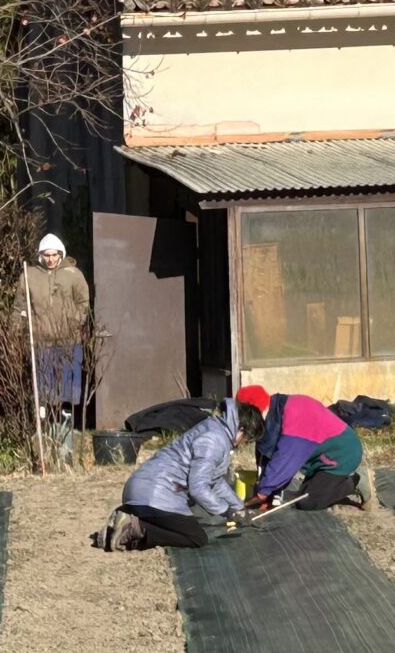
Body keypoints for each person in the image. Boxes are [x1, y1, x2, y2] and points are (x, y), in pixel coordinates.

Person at [103, 397, 260, 550]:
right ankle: (137, 528)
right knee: (195, 537)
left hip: (142, 491)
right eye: (247, 439)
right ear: (241, 429)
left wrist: (239, 508)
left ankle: (119, 524)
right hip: (154, 495)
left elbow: (215, 480)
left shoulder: (214, 429)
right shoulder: (215, 441)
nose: (244, 443)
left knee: (182, 526)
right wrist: (226, 510)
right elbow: (198, 488)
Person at [239, 384, 378, 511]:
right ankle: (325, 483)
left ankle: (355, 480)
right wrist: (267, 491)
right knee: (303, 493)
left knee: (307, 501)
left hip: (342, 455)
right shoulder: (272, 412)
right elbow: (266, 455)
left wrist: (263, 492)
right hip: (319, 457)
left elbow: (285, 459)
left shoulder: (294, 416)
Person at [17, 231, 91, 427]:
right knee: (43, 387)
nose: (50, 259)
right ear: (41, 255)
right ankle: (44, 424)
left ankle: (66, 424)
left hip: (69, 340)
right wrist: (18, 331)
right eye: (46, 255)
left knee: (68, 387)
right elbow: (20, 307)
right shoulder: (29, 276)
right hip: (41, 340)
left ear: (61, 254)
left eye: (54, 255)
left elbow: (83, 304)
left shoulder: (73, 275)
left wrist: (72, 323)